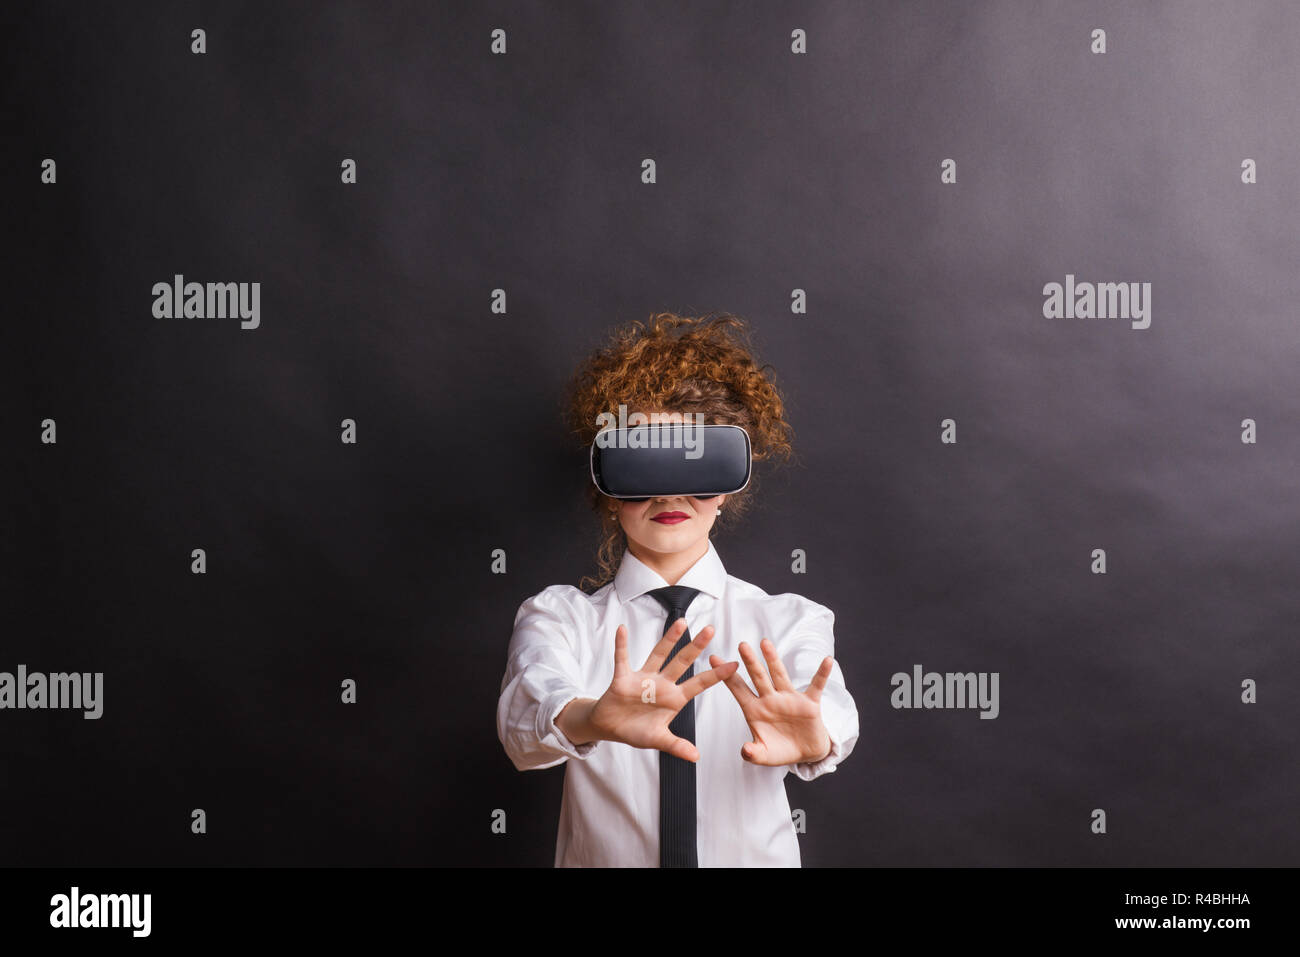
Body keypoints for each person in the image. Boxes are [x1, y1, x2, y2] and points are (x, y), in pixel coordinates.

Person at [496, 311, 859, 866]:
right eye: (643, 470)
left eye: (695, 465)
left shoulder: (789, 620)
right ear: (609, 491)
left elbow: (828, 710)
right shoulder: (560, 618)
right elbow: (524, 728)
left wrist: (814, 741)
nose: (670, 496)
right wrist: (593, 718)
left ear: (726, 492)